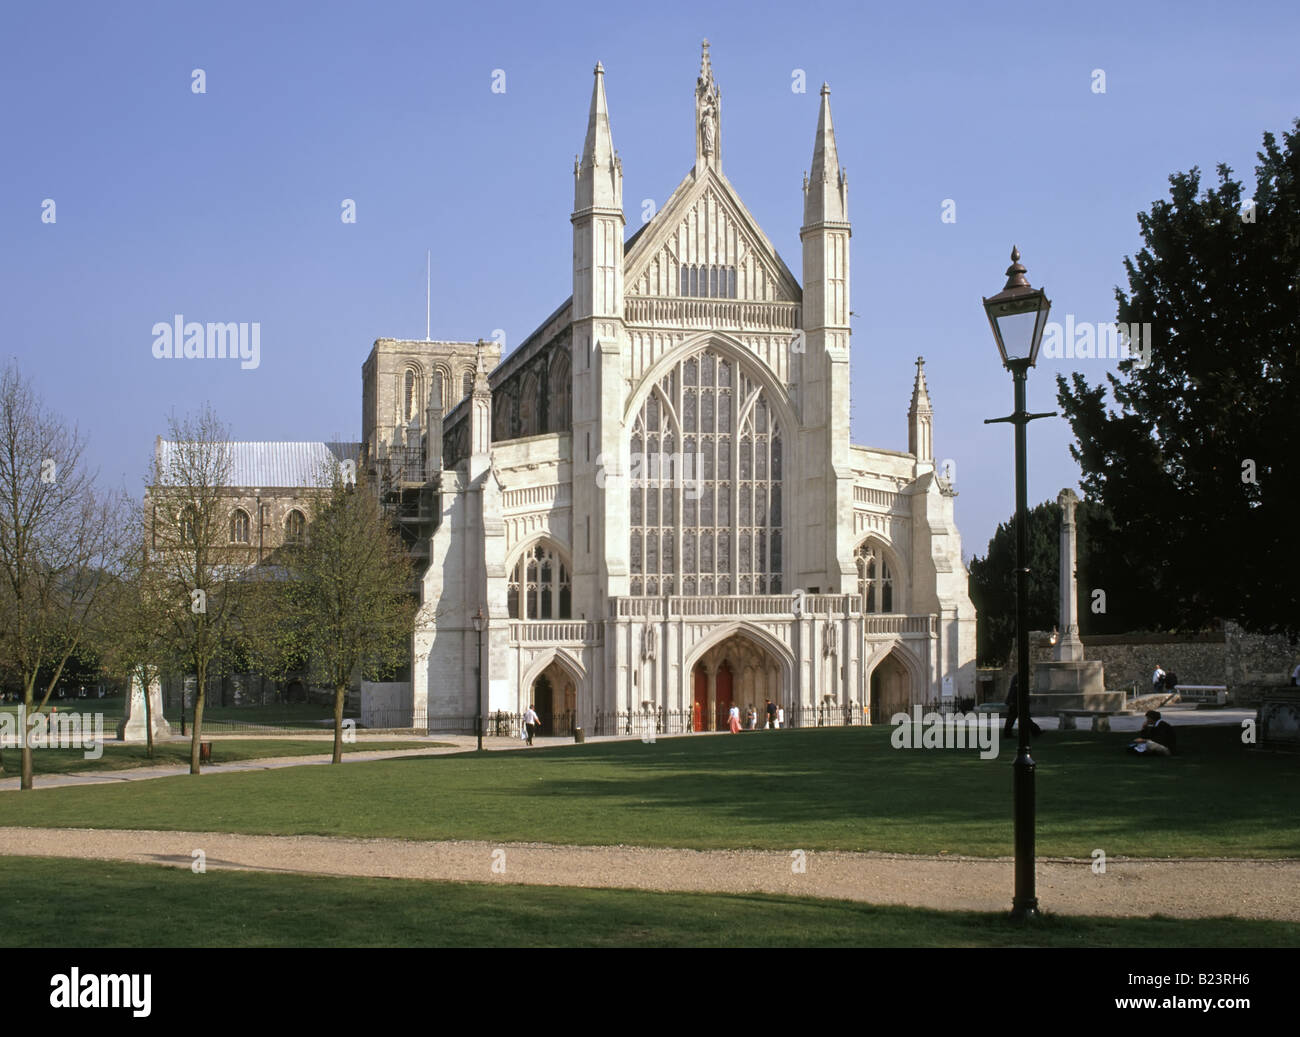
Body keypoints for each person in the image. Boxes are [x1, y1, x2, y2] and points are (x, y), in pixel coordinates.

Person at [1002, 672, 1042, 739]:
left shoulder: (1018, 676)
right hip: (1016, 702)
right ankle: (1036, 731)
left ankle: (1036, 731)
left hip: (1016, 702)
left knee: (1019, 718)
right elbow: (1015, 690)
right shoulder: (1019, 677)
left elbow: (1014, 689)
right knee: (1016, 718)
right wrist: (1012, 701)